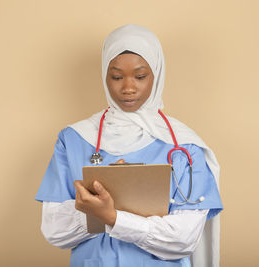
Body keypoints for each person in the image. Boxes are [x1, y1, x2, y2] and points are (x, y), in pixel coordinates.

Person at [35, 24, 223, 267]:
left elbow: (183, 238)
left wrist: (110, 216)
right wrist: (111, 213)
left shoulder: (185, 146)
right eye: (116, 77)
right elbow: (54, 230)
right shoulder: (74, 139)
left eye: (140, 76)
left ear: (156, 73)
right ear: (105, 75)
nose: (128, 88)